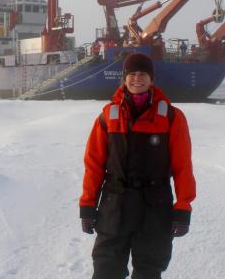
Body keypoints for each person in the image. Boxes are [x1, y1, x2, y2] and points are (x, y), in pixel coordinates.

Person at [79, 53, 196, 279]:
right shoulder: (107, 116)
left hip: (154, 208)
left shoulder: (171, 117)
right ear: (124, 79)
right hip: (114, 207)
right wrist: (87, 205)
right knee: (106, 271)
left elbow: (183, 167)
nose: (137, 79)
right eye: (131, 74)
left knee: (148, 272)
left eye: (142, 74)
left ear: (151, 79)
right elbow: (93, 165)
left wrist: (183, 207)